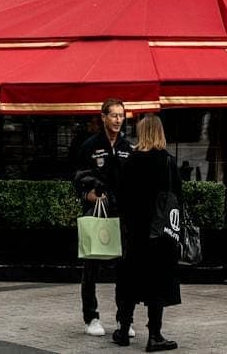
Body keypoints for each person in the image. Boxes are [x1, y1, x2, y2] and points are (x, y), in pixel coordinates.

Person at [114, 114, 181, 352]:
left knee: (128, 281)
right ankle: (155, 335)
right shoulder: (168, 162)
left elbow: (121, 197)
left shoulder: (131, 161)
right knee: (157, 284)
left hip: (134, 233)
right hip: (160, 234)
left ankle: (123, 330)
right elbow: (177, 199)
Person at [71, 99, 132, 337]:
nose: (118, 120)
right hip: (96, 212)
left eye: (121, 115)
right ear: (103, 117)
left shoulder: (128, 147)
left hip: (121, 214)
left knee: (124, 269)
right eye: (113, 115)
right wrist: (88, 195)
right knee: (91, 267)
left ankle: (123, 318)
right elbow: (77, 176)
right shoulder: (89, 146)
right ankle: (91, 317)